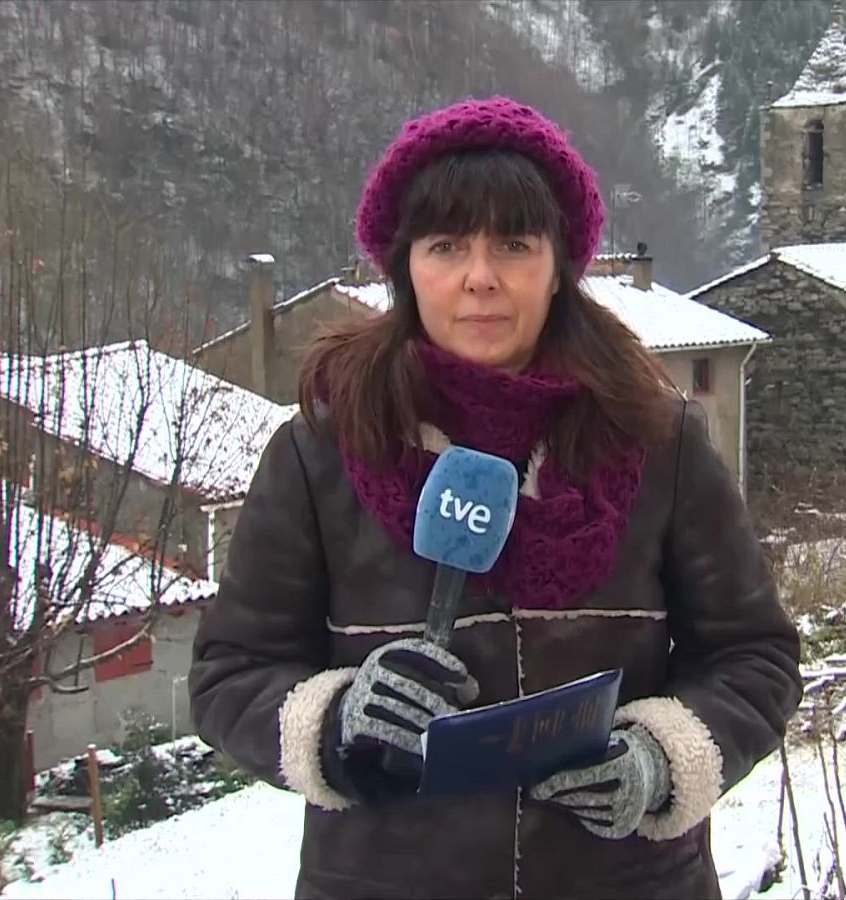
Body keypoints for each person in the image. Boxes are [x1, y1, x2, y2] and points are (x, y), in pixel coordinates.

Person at [188, 95, 802, 900]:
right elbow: (231, 673)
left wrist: (661, 758)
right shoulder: (320, 455)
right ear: (405, 266)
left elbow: (754, 657)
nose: (481, 277)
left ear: (558, 268)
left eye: (514, 243)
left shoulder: (659, 442)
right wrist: (338, 721)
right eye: (446, 245)